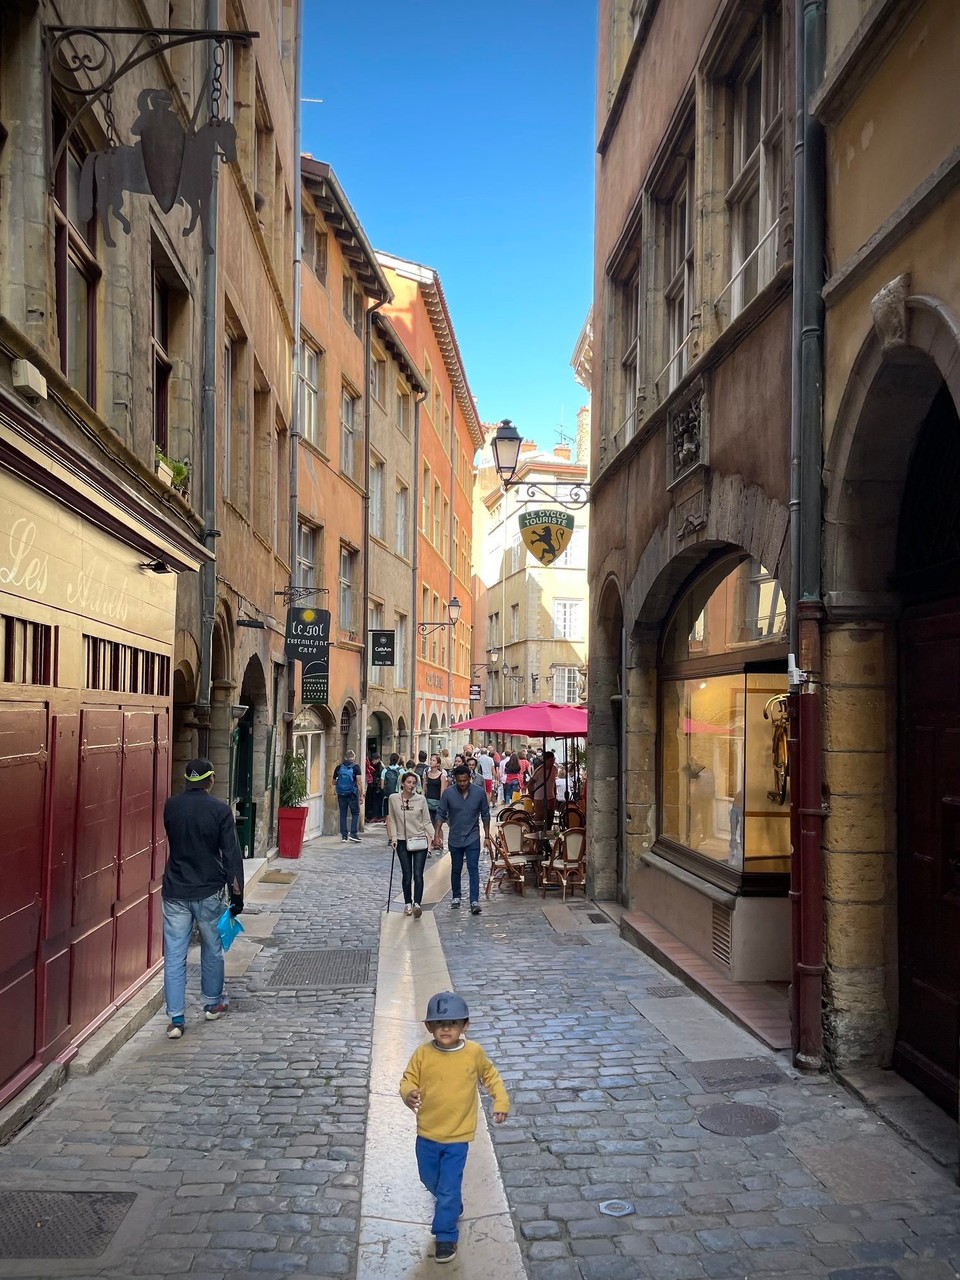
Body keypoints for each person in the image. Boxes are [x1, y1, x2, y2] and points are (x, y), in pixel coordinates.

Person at [400, 991, 509, 1264]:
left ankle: (446, 1236)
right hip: (427, 1133)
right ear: (429, 1027)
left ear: (465, 1026)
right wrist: (408, 1093)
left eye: (453, 1023)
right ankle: (451, 1205)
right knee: (429, 1179)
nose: (446, 1028)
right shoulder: (422, 1054)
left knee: (448, 1188)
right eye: (439, 1023)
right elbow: (408, 1078)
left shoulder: (473, 1053)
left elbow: (490, 1076)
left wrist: (501, 1099)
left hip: (458, 1137)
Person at [161, 758, 244, 1039]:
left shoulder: (171, 806)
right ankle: (212, 1003)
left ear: (187, 781)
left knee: (174, 954)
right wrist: (238, 895)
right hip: (209, 889)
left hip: (175, 889)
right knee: (212, 947)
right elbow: (232, 856)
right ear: (210, 781)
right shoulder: (220, 810)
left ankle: (175, 1018)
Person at [432, 763, 493, 915]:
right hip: (455, 836)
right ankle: (456, 896)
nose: (462, 784)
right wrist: (436, 835)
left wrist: (486, 836)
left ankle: (474, 900)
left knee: (473, 868)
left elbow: (485, 815)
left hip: (472, 836)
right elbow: (441, 813)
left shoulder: (479, 793)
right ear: (455, 780)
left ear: (470, 778)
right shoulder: (448, 794)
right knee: (456, 868)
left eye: (465, 781)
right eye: (459, 781)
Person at [386, 770, 433, 917]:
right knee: (407, 874)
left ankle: (417, 904)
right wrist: (393, 838)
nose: (411, 785)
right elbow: (392, 819)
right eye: (408, 782)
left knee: (418, 874)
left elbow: (426, 820)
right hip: (401, 841)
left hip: (419, 840)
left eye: (413, 783)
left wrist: (434, 836)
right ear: (402, 783)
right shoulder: (393, 799)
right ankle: (407, 903)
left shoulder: (421, 799)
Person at [334, 749, 363, 842]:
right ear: (353, 758)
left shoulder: (338, 767)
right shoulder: (356, 767)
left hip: (341, 794)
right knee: (355, 813)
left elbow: (333, 782)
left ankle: (344, 836)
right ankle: (353, 833)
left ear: (345, 757)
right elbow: (359, 782)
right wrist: (361, 795)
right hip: (352, 794)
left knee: (343, 814)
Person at [527, 749, 558, 827]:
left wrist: (555, 793)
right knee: (539, 817)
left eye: (553, 760)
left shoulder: (554, 769)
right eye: (551, 760)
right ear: (546, 760)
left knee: (551, 816)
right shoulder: (539, 771)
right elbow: (529, 784)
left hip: (551, 797)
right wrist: (532, 796)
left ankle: (549, 831)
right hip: (539, 798)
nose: (552, 762)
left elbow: (553, 782)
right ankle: (539, 834)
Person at [423, 753, 448, 837]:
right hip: (428, 801)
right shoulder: (426, 774)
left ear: (438, 764)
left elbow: (442, 791)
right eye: (430, 760)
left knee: (438, 824)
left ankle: (439, 841)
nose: (431, 762)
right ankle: (431, 841)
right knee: (428, 824)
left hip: (437, 802)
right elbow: (424, 789)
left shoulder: (442, 776)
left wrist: (442, 804)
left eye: (433, 760)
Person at [381, 752, 403, 819]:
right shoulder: (401, 771)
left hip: (388, 795)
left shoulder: (385, 770)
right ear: (398, 760)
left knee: (388, 814)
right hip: (398, 795)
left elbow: (382, 786)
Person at [365, 753, 383, 823]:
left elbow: (379, 777)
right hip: (374, 787)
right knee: (373, 802)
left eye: (374, 760)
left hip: (376, 787)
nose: (372, 761)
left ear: (378, 759)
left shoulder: (379, 767)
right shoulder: (377, 766)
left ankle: (375, 816)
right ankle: (373, 816)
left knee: (375, 802)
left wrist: (377, 787)